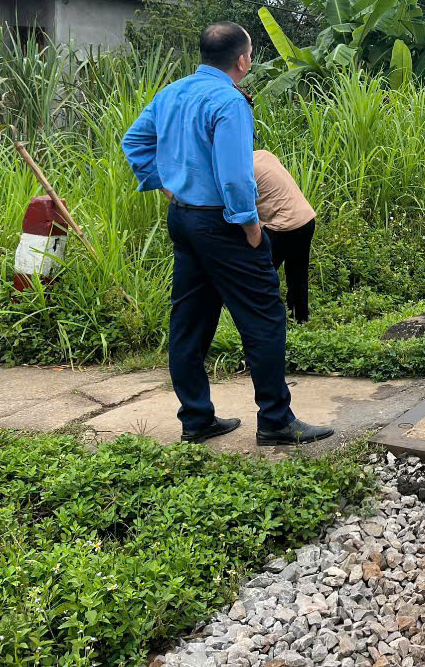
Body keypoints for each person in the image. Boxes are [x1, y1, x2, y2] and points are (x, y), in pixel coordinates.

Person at [121, 22, 333, 446]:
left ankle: (196, 419)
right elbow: (237, 177)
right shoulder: (229, 102)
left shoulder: (172, 93)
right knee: (264, 319)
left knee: (189, 322)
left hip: (183, 219)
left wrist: (163, 183)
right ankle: (275, 421)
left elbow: (135, 141)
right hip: (224, 223)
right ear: (242, 60)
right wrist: (251, 225)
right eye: (250, 54)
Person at [254, 149, 316, 324]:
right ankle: (300, 319)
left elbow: (242, 210)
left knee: (260, 275)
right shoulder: (264, 154)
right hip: (306, 219)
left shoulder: (240, 172)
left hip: (283, 227)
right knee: (298, 273)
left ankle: (268, 321)